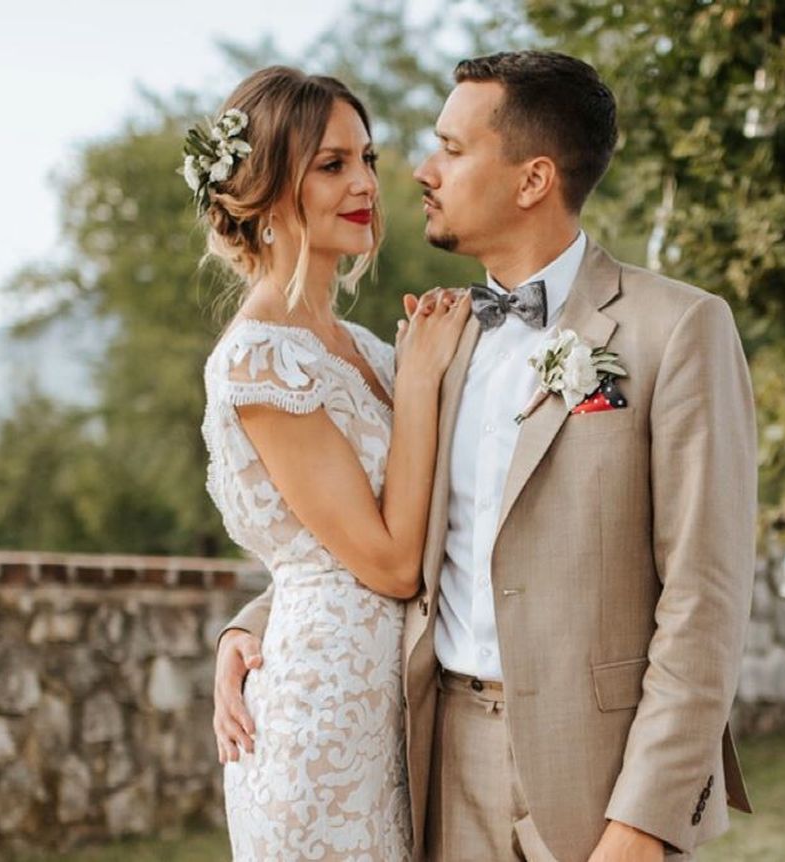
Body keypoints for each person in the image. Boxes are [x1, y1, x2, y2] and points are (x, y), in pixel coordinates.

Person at [215, 51, 757, 861]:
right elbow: (375, 521)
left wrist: (645, 820)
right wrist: (253, 627)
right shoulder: (436, 342)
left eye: (452, 149)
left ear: (533, 180)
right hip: (432, 761)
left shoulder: (674, 330)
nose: (419, 172)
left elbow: (704, 599)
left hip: (595, 774)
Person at [194, 66, 471, 860]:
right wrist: (418, 386)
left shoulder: (371, 351)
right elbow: (387, 564)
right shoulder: (260, 361)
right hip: (322, 724)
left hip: (400, 705)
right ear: (267, 187)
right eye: (332, 164)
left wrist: (244, 625)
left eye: (368, 159)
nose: (366, 185)